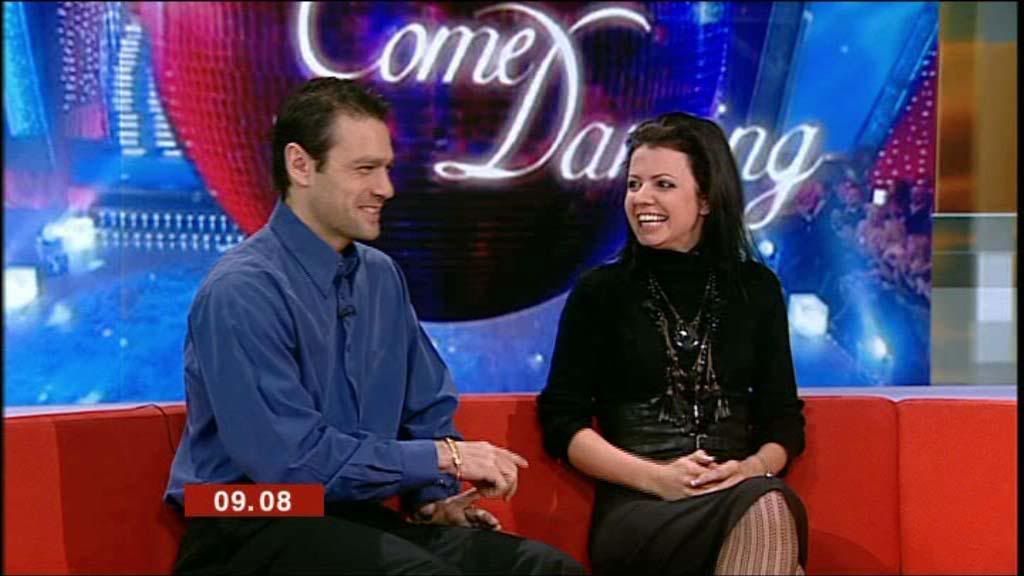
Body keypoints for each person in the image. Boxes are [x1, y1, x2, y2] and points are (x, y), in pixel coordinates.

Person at [165, 77, 584, 575]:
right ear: (301, 165)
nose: (386, 189)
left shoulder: (382, 278)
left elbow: (425, 406)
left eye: (386, 168)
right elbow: (291, 464)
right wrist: (443, 459)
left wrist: (432, 498)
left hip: (353, 517)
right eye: (364, 169)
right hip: (249, 520)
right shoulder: (242, 291)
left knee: (545, 568)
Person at [538, 112, 808, 575]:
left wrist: (749, 469)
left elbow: (783, 418)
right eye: (634, 184)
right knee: (769, 521)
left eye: (662, 184)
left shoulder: (756, 289)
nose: (641, 198)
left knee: (764, 508)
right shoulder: (601, 292)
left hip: (739, 493)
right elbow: (562, 421)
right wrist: (657, 478)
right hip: (640, 505)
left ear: (706, 199)